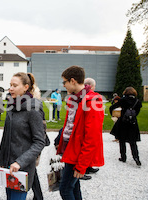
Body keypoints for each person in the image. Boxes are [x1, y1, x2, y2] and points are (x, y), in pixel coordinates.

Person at [57, 65, 104, 200]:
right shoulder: (74, 98)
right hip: (70, 151)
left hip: (78, 154)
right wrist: (59, 141)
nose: (63, 85)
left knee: (65, 189)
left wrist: (82, 165)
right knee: (74, 187)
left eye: (64, 82)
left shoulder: (92, 100)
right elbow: (69, 126)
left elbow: (92, 137)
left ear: (72, 81)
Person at [0, 72, 45, 200]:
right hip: (8, 166)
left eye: (15, 85)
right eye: (10, 85)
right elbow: (6, 136)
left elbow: (40, 142)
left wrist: (20, 162)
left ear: (25, 87)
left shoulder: (33, 109)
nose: (11, 88)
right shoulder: (11, 106)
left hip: (21, 168)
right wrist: (2, 160)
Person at [109, 87, 142, 166]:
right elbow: (137, 112)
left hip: (123, 122)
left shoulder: (123, 100)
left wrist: (114, 115)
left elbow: (112, 107)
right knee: (133, 142)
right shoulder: (137, 101)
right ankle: (136, 157)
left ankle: (123, 157)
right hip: (133, 123)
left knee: (122, 140)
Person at [83, 78, 100, 177]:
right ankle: (83, 169)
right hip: (88, 126)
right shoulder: (88, 97)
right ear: (92, 86)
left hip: (91, 125)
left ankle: (88, 166)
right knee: (86, 148)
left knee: (89, 148)